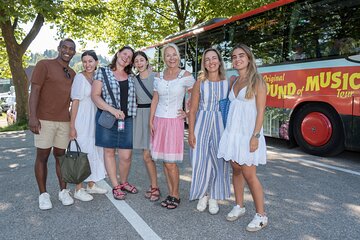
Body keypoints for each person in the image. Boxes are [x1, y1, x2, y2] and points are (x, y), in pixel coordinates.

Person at [217, 43, 268, 232]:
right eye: (234, 57)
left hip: (248, 134)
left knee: (249, 174)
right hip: (233, 133)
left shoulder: (258, 81)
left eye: (241, 56)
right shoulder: (234, 80)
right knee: (236, 170)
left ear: (248, 58)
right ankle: (239, 206)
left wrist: (255, 136)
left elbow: (261, 112)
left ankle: (261, 215)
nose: (237, 59)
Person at [29, 38, 76, 210]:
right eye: (64, 47)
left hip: (64, 121)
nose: (67, 51)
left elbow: (74, 99)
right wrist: (32, 117)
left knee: (61, 157)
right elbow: (35, 91)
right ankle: (43, 195)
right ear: (58, 48)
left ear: (74, 52)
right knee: (42, 157)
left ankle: (63, 191)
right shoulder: (44, 65)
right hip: (44, 120)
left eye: (71, 49)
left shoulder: (72, 73)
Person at [150, 43, 195, 209]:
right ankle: (170, 193)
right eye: (168, 55)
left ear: (178, 56)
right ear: (164, 58)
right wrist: (150, 120)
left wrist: (188, 112)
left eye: (174, 54)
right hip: (159, 120)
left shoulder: (186, 75)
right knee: (164, 160)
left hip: (174, 122)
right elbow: (155, 99)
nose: (171, 58)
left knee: (170, 162)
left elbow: (195, 96)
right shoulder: (159, 76)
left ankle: (175, 195)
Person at [188, 48, 231, 215]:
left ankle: (213, 195)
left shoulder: (228, 82)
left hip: (221, 125)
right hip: (202, 123)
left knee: (219, 162)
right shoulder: (200, 82)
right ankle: (203, 194)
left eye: (214, 58)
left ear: (219, 61)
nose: (211, 62)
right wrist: (191, 133)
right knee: (200, 161)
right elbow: (192, 110)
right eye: (207, 59)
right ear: (204, 64)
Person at [91, 46, 137, 200]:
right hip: (108, 118)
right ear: (118, 54)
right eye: (125, 54)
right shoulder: (102, 72)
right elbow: (95, 96)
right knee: (109, 152)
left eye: (130, 57)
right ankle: (116, 186)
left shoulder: (131, 76)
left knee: (126, 156)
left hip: (127, 119)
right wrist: (112, 110)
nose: (126, 58)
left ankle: (124, 182)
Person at [69, 50, 108, 202]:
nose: (87, 64)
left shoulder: (98, 77)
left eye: (90, 61)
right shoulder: (79, 78)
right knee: (81, 153)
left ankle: (91, 185)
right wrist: (72, 126)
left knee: (95, 151)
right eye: (84, 61)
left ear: (96, 62)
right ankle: (78, 189)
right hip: (82, 121)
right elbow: (75, 102)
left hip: (95, 120)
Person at [132, 51, 160, 201]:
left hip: (157, 115)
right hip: (141, 116)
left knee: (164, 156)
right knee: (147, 155)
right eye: (136, 61)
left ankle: (170, 191)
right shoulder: (133, 80)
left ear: (147, 61)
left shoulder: (157, 76)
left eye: (141, 60)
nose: (139, 63)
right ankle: (154, 186)